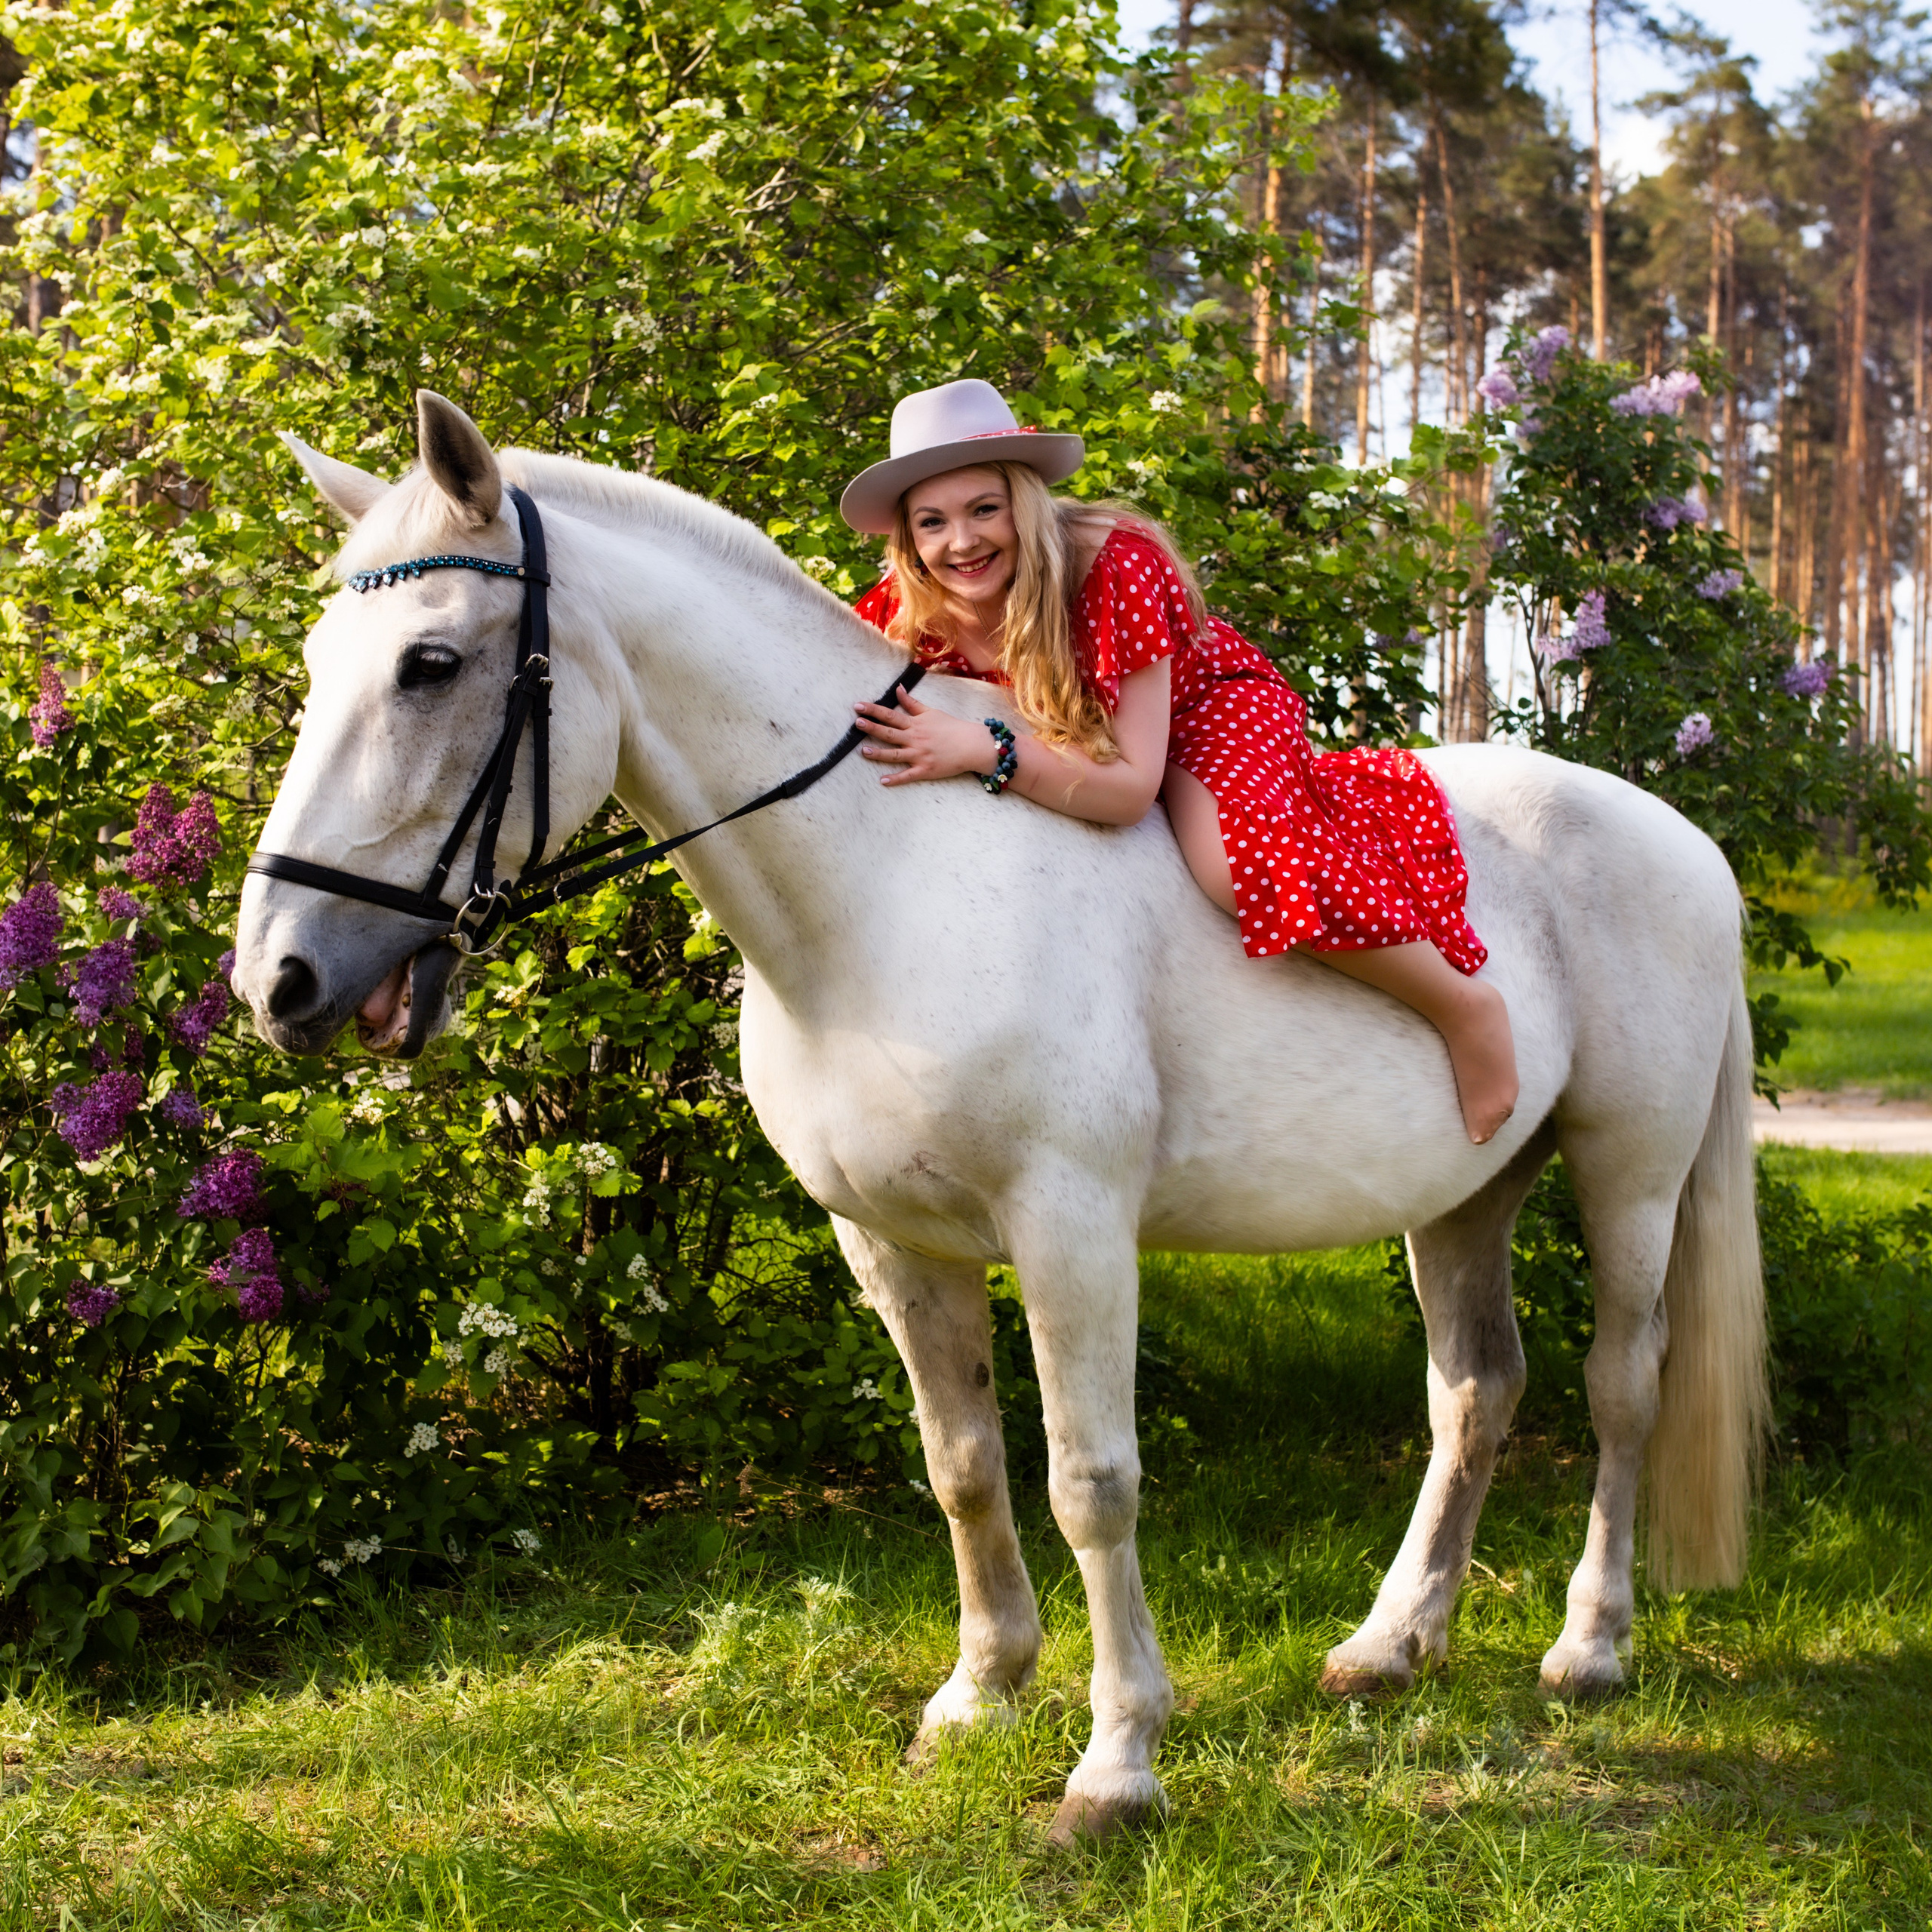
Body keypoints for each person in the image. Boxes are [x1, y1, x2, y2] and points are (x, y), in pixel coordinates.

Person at [838, 380, 1518, 1144]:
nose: (959, 542)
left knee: (1235, 863)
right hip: (1066, 734)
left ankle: (1462, 1007)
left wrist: (983, 750)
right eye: (931, 522)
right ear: (907, 536)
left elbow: (1130, 789)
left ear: (1022, 501)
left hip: (1204, 710)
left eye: (983, 510)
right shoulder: (904, 611)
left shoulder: (1112, 565)